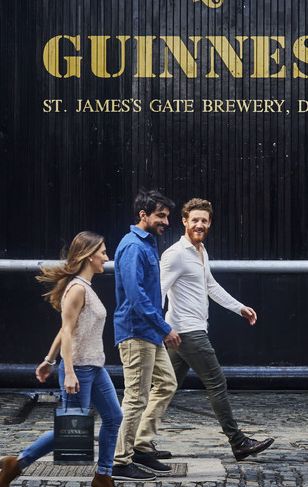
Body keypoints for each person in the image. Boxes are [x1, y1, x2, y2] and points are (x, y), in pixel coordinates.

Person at [0, 232, 122, 487]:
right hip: (80, 369)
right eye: (103, 252)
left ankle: (103, 476)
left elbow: (66, 329)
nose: (107, 258)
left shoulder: (85, 288)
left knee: (113, 417)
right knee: (72, 431)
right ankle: (16, 463)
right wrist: (69, 372)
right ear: (89, 256)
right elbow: (67, 331)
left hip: (95, 367)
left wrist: (49, 359)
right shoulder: (77, 289)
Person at [160, 198, 274, 461]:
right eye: (194, 220)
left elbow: (210, 284)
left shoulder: (201, 251)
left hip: (186, 331)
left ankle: (137, 442)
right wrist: (163, 328)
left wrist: (239, 308)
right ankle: (238, 442)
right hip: (186, 331)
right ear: (184, 221)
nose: (199, 225)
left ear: (209, 223)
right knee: (216, 382)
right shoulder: (175, 254)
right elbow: (158, 291)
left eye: (204, 220)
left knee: (164, 388)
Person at [110, 189, 180, 480]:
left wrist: (159, 329)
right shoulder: (133, 246)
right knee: (136, 397)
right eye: (160, 216)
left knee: (167, 383)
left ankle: (140, 445)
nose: (166, 222)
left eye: (167, 216)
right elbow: (137, 298)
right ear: (143, 215)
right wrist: (165, 328)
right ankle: (119, 461)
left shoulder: (147, 245)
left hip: (149, 332)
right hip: (136, 332)